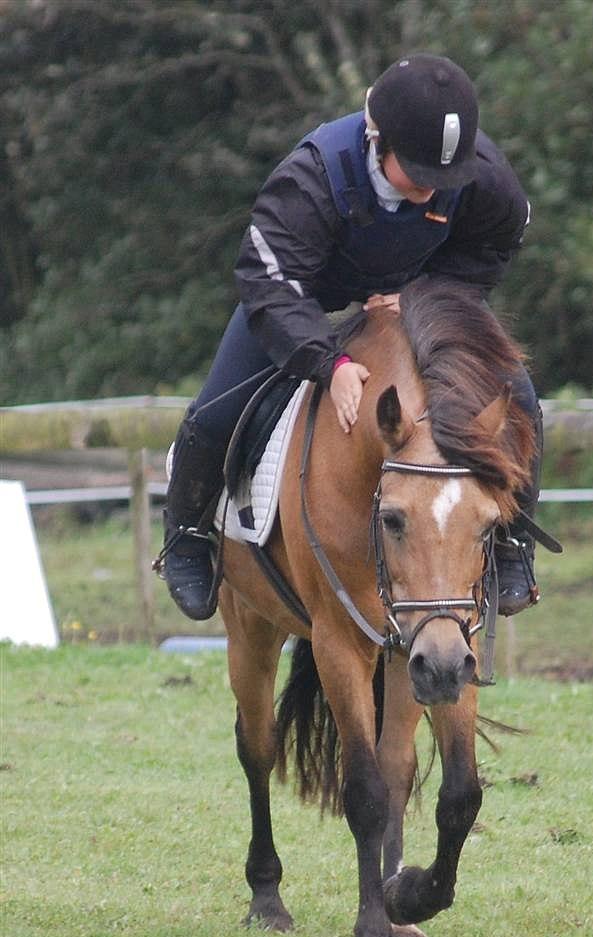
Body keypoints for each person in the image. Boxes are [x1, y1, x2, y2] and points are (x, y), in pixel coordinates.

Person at [158, 54, 542, 622]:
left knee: (522, 401)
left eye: (443, 181)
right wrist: (329, 361)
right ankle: (188, 534)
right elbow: (268, 280)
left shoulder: (480, 174)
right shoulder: (312, 176)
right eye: (416, 174)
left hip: (419, 301)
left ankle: (513, 545)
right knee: (216, 412)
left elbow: (496, 244)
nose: (430, 192)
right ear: (375, 138)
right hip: (302, 296)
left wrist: (424, 294)